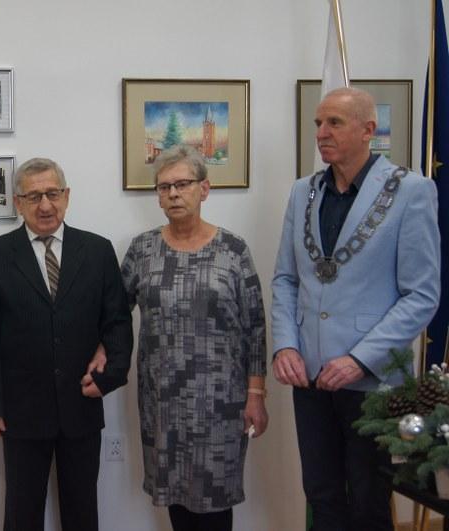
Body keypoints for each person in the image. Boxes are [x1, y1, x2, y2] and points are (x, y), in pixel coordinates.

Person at [271, 87, 441, 531]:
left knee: (368, 504)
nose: (321, 133)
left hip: (373, 380)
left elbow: (421, 295)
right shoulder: (303, 191)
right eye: (318, 123)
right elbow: (286, 279)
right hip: (309, 375)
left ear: (369, 130)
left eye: (334, 123)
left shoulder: (411, 191)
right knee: (322, 496)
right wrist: (285, 345)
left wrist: (359, 359)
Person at [0, 157, 133, 531]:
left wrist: (110, 376)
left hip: (82, 402)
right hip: (21, 411)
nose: (45, 205)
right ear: (18, 202)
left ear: (66, 196)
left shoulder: (97, 250)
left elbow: (118, 322)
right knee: (22, 512)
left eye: (53, 194)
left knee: (82, 511)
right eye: (34, 196)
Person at [120, 145, 268, 531]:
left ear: (204, 189)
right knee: (174, 497)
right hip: (163, 401)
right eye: (164, 187)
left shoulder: (233, 250)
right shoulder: (142, 250)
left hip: (220, 403)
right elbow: (114, 315)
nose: (173, 194)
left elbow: (255, 326)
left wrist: (256, 394)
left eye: (182, 184)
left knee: (215, 499)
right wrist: (101, 352)